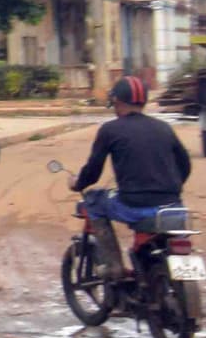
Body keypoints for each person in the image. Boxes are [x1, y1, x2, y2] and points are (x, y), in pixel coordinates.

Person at [70, 75, 193, 279]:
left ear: (117, 101)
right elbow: (185, 165)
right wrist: (171, 189)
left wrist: (77, 183)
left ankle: (113, 266)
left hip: (132, 205)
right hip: (172, 205)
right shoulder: (164, 128)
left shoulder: (110, 130)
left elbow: (92, 172)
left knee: (92, 201)